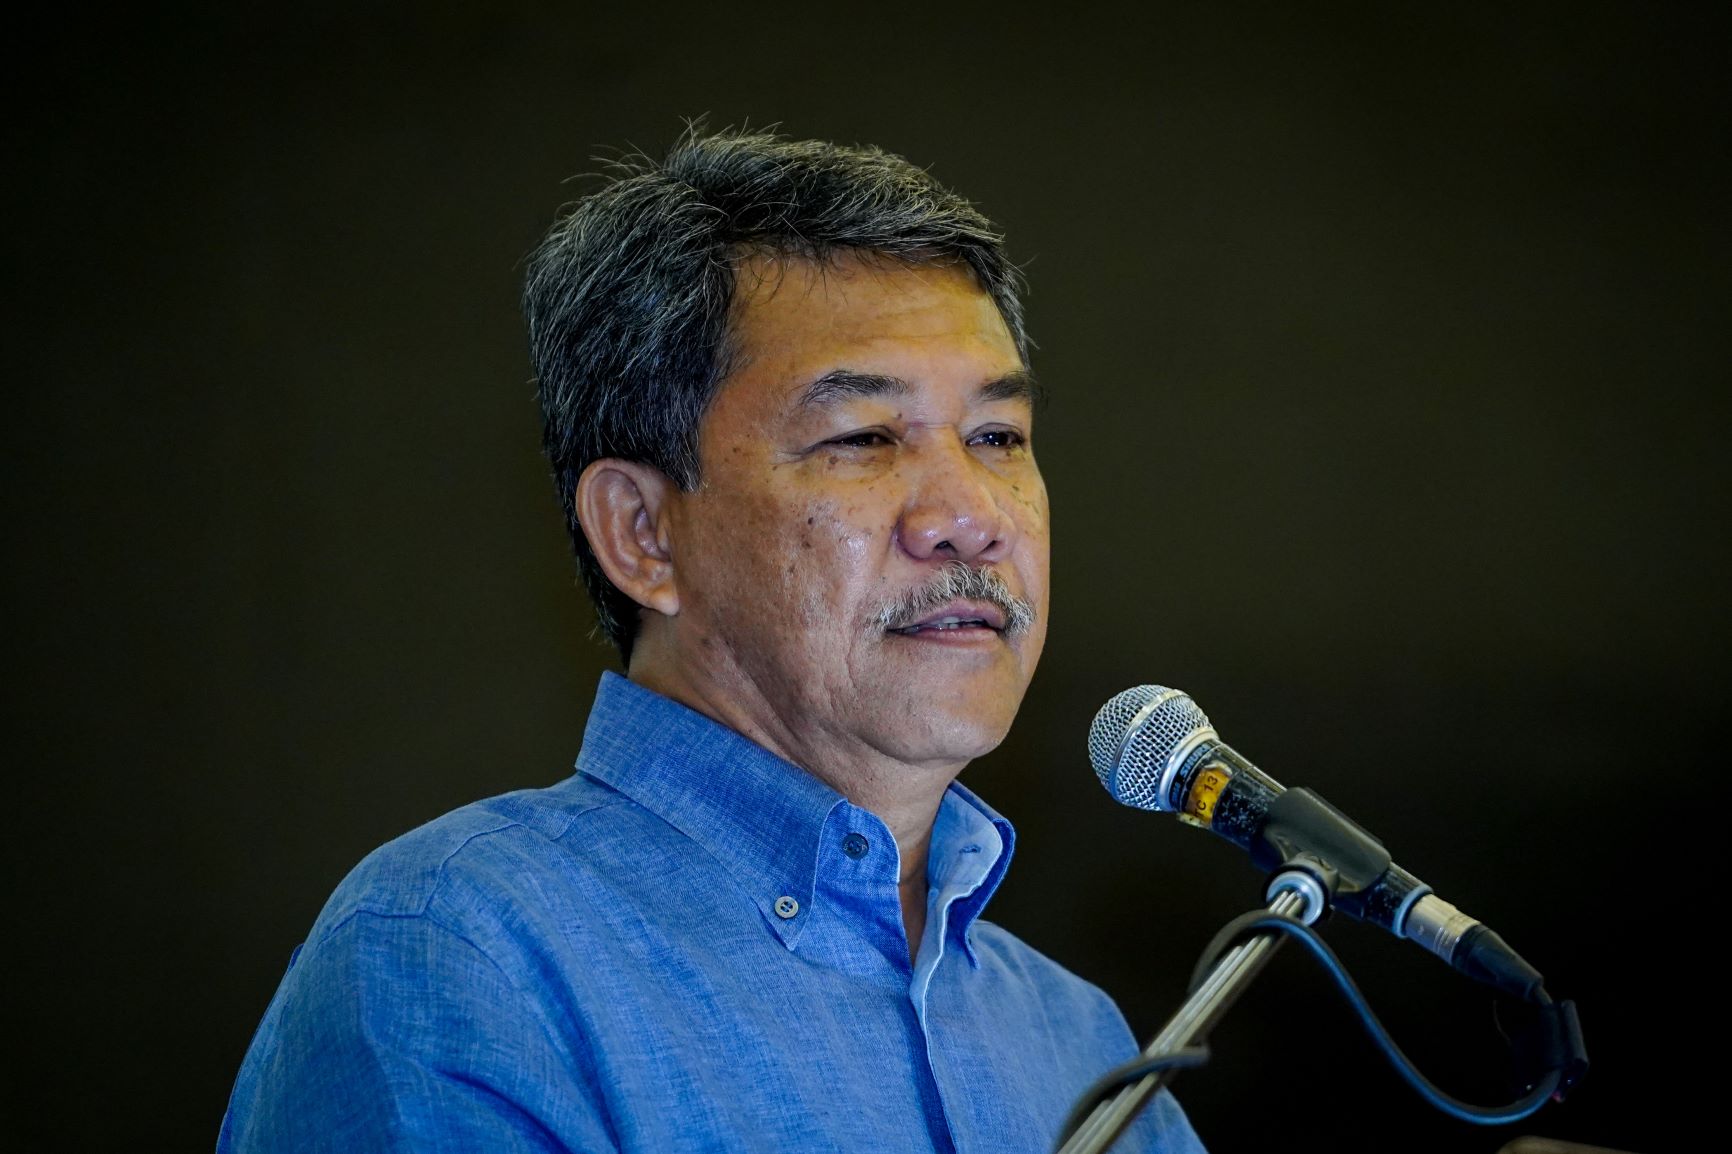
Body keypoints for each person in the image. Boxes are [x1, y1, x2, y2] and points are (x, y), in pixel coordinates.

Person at [218, 128, 1205, 1153]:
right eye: (863, 436)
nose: (971, 516)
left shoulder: (1081, 1045)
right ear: (643, 534)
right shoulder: (457, 954)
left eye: (997, 437)